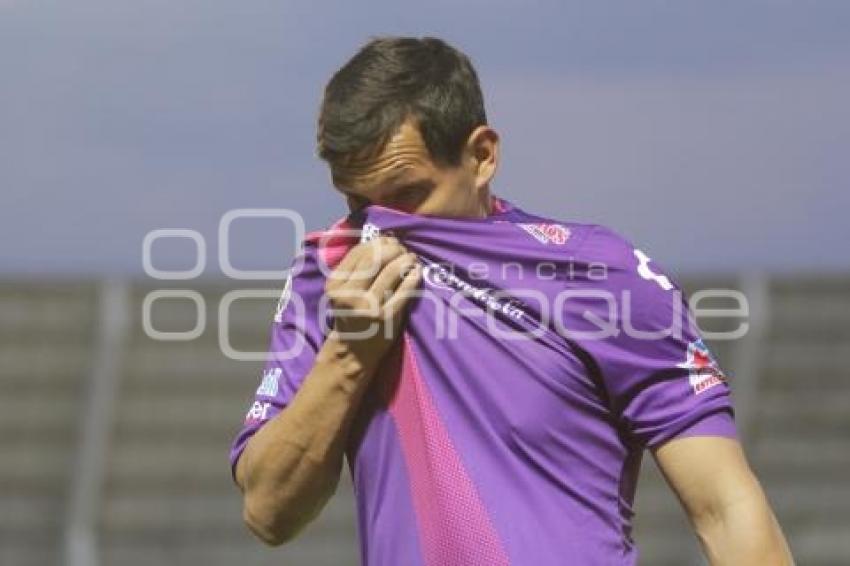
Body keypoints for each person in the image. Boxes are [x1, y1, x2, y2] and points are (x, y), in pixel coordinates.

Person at [230, 36, 793, 565]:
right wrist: (350, 355)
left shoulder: (601, 274)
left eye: (406, 196)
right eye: (358, 202)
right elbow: (269, 511)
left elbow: (725, 506)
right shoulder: (329, 276)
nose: (379, 227)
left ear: (481, 156)